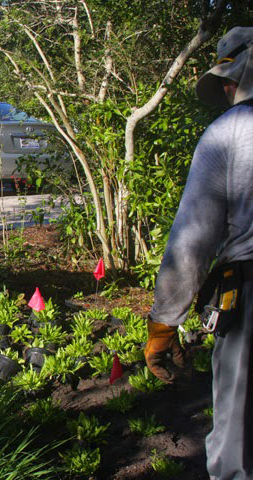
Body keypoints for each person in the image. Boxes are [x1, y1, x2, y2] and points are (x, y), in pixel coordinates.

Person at [145, 27, 253, 479]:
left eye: (228, 81)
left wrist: (163, 323)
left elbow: (192, 241)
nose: (226, 90)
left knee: (237, 432)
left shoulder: (229, 133)